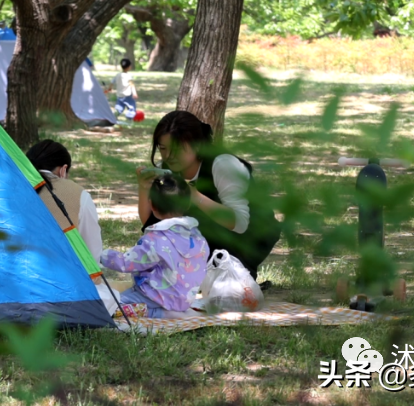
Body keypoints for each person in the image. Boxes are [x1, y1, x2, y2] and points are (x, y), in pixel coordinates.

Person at [136, 110, 281, 284]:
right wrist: (144, 187)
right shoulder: (166, 169)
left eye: (176, 149)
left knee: (224, 285)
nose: (169, 156)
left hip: (250, 237)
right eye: (163, 149)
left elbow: (241, 224)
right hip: (206, 236)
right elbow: (153, 223)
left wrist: (195, 196)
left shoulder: (223, 164)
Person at [26, 140, 118, 315]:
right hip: (60, 285)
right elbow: (92, 253)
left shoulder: (12, 187)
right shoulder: (77, 193)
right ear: (63, 170)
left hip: (14, 285)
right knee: (110, 296)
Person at [101, 176, 209, 317]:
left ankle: (160, 314)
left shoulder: (156, 239)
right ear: (187, 204)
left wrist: (99, 254)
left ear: (152, 205)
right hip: (184, 300)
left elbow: (126, 262)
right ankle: (171, 311)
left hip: (154, 297)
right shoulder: (198, 237)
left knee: (109, 306)